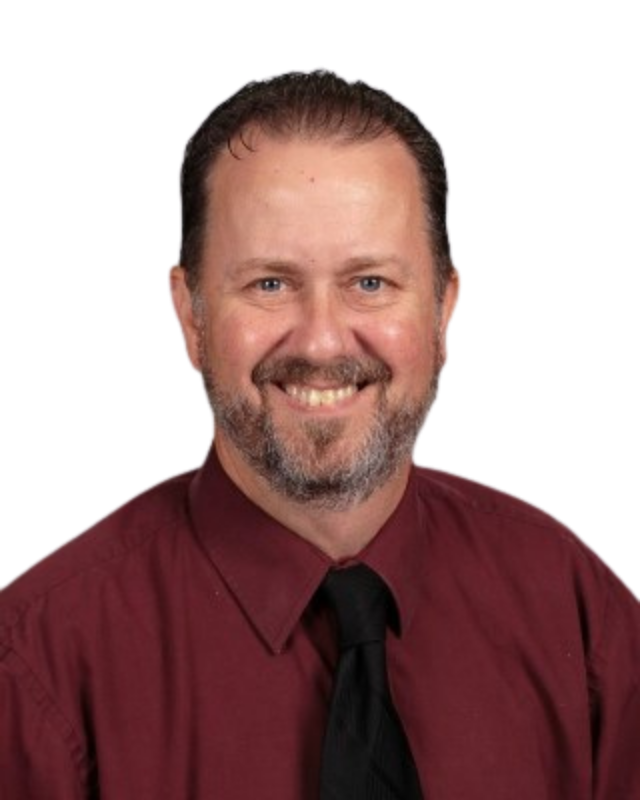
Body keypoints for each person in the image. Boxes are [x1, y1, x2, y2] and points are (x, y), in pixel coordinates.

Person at [1, 68, 638, 799]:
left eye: (370, 282)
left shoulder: (582, 610)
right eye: (270, 284)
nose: (324, 341)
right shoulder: (36, 663)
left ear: (444, 310)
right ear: (189, 315)